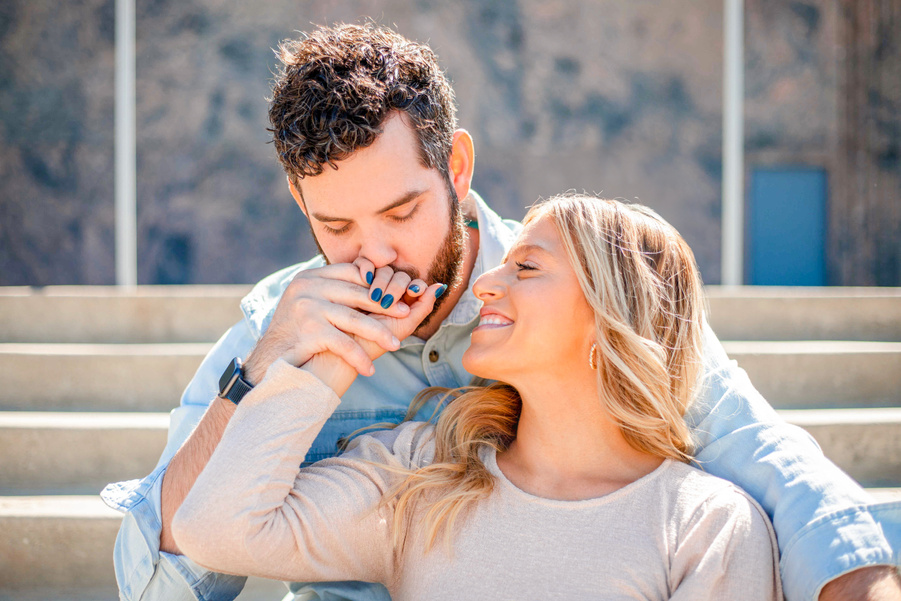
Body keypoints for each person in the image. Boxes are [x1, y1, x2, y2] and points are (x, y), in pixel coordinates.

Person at [101, 21, 901, 601]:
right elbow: (157, 586)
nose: (376, 254)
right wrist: (270, 370)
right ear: (297, 201)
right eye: (335, 227)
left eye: (402, 211)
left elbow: (761, 453)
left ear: (454, 164)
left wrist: (862, 581)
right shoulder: (283, 324)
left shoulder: (573, 282)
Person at [171, 194, 782, 599]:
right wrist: (341, 348)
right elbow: (214, 530)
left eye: (528, 268)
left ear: (608, 313)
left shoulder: (707, 524)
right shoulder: (422, 475)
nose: (484, 283)